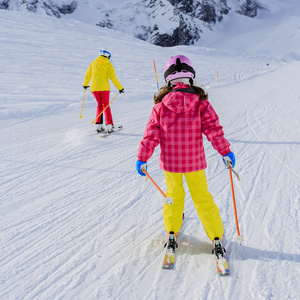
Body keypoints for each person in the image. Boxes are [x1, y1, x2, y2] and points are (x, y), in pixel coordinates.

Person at [135, 55, 235, 258]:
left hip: (171, 164)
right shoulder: (201, 104)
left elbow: (151, 135)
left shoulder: (160, 106)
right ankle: (216, 237)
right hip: (194, 163)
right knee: (202, 197)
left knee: (173, 197)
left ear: (168, 81)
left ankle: (172, 232)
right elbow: (214, 130)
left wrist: (142, 158)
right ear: (191, 78)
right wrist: (225, 151)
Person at [83, 50, 124, 133]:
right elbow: (113, 78)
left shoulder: (93, 63)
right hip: (104, 88)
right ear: (107, 56)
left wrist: (85, 84)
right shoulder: (108, 64)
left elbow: (87, 75)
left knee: (99, 105)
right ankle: (109, 126)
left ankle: (99, 125)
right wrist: (120, 88)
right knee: (106, 105)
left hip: (94, 88)